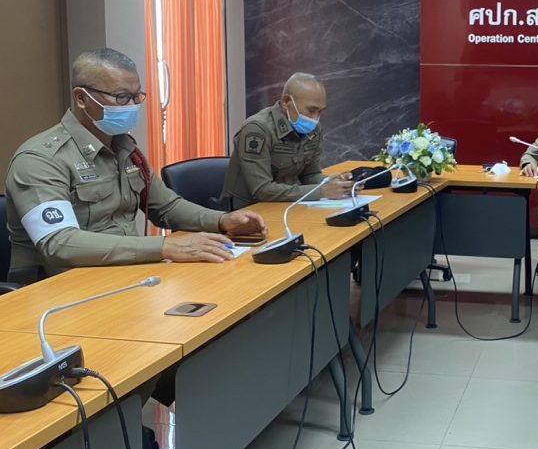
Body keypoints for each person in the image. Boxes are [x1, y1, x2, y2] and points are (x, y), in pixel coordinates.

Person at [4, 48, 267, 279]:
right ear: (81, 98)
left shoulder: (124, 148)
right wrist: (165, 248)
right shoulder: (41, 159)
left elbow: (166, 207)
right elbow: (59, 243)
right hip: (59, 288)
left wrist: (223, 221)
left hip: (126, 273)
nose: (131, 106)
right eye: (121, 97)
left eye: (136, 96)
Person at [222, 73, 352, 208]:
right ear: (286, 102)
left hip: (286, 205)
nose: (315, 118)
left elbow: (310, 175)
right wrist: (321, 191)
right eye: (311, 110)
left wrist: (333, 184)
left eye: (320, 112)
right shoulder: (257, 130)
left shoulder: (313, 129)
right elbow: (262, 190)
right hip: (246, 210)